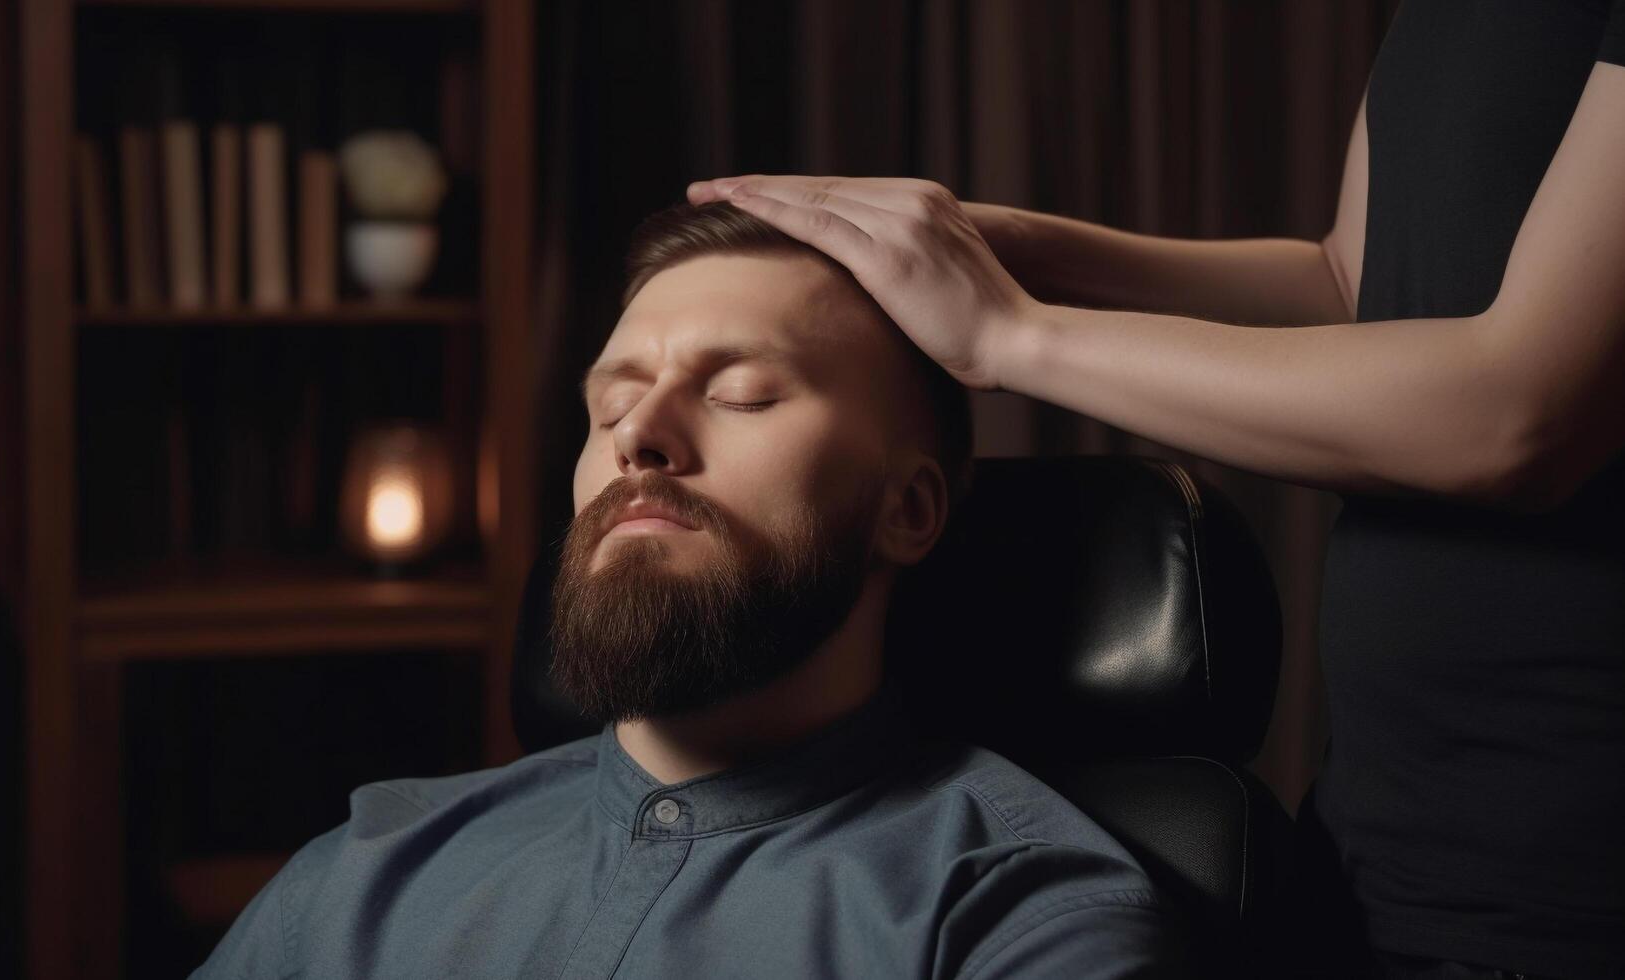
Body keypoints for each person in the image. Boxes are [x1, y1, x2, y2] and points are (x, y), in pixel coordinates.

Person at [686, 2, 1625, 978]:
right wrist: (1004, 247)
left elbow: (1518, 413)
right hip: (1382, 840)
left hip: (1564, 884)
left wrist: (1011, 333)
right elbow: (1349, 287)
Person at [191, 203, 1184, 979]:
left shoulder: (1016, 921)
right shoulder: (363, 873)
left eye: (741, 392)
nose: (638, 437)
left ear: (908, 510)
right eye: (611, 404)